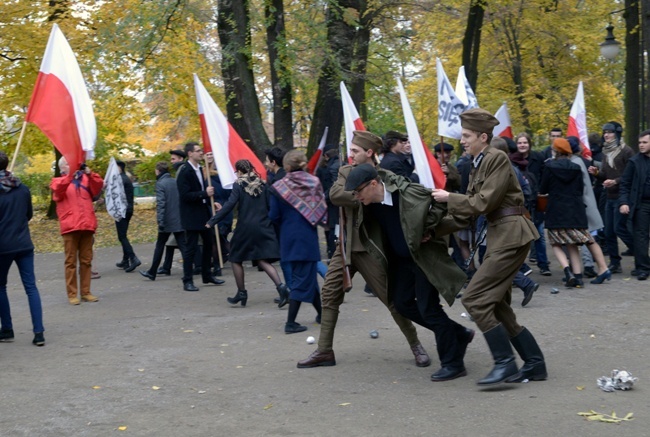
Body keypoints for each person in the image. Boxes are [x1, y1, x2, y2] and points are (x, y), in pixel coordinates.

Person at [298, 130, 434, 370]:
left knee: (392, 300)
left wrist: (375, 192)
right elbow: (336, 194)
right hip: (346, 247)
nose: (351, 155)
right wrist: (364, 190)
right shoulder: (346, 171)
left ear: (369, 153)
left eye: (356, 151)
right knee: (329, 295)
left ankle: (416, 345)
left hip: (371, 249)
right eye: (350, 150)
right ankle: (324, 350)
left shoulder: (386, 176)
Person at [433, 108, 547, 386]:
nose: (463, 141)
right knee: (497, 305)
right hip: (501, 235)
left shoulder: (495, 158)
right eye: (463, 135)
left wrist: (449, 197)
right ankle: (534, 363)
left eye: (467, 136)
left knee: (474, 299)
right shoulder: (478, 161)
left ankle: (505, 363)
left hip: (511, 235)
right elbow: (468, 211)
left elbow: (483, 203)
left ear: (483, 136)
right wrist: (434, 230)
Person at [345, 162, 472, 381]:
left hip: (423, 257)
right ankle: (456, 333)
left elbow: (438, 201)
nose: (356, 197)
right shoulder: (368, 204)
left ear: (373, 184)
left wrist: (429, 228)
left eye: (358, 192)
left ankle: (453, 364)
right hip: (400, 261)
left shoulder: (407, 192)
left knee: (429, 309)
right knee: (402, 304)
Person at [206, 159, 288, 307]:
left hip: (245, 227)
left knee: (235, 258)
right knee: (263, 259)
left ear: (239, 171)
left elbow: (230, 204)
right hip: (264, 225)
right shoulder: (264, 184)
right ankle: (282, 288)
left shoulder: (239, 185)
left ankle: (242, 292)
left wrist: (213, 221)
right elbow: (271, 206)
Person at [269, 150, 326, 333]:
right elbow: (321, 209)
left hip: (288, 236)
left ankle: (322, 314)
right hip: (307, 237)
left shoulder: (278, 187)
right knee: (302, 278)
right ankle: (290, 323)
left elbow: (273, 215)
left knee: (306, 275)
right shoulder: (314, 183)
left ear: (286, 166)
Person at [0, 151, 45, 345]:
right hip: (24, 243)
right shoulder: (23, 188)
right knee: (31, 287)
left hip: (3, 246)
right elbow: (28, 215)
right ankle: (39, 333)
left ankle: (7, 328)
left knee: (0, 287)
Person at [539, 139, 593, 287]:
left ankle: (567, 271)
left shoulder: (549, 167)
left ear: (555, 151)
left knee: (556, 243)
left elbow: (543, 189)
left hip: (556, 209)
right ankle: (578, 277)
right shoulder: (576, 167)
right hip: (575, 210)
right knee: (573, 244)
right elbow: (580, 190)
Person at [50, 157, 104, 305]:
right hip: (70, 226)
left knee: (86, 261)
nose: (72, 164)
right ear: (62, 168)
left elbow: (98, 185)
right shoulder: (57, 181)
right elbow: (58, 190)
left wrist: (89, 172)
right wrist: (69, 176)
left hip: (87, 224)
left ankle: (86, 292)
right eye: (68, 163)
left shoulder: (85, 179)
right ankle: (72, 294)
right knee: (71, 262)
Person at [176, 142, 224, 292]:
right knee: (191, 248)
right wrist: (204, 194)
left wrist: (212, 202)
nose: (201, 153)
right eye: (198, 151)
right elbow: (185, 195)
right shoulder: (185, 171)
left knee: (209, 244)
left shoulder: (201, 169)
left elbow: (203, 191)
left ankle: (207, 275)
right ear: (190, 154)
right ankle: (187, 280)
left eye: (201, 150)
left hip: (203, 213)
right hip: (191, 215)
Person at [588, 122, 634, 274]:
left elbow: (631, 175)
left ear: (618, 133)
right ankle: (615, 263)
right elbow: (605, 176)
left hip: (623, 196)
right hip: (609, 196)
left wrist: (615, 181)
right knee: (608, 232)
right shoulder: (605, 152)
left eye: (610, 132)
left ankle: (639, 251)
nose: (606, 135)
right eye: (604, 132)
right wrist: (596, 173)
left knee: (619, 228)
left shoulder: (627, 151)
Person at [139, 161, 187, 281]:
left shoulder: (161, 184)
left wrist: (160, 221)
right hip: (178, 219)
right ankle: (189, 270)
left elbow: (161, 204)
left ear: (158, 171)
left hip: (167, 221)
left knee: (160, 246)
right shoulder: (174, 182)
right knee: (183, 246)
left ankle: (152, 271)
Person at [515, 132, 551, 276]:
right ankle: (521, 266)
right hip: (520, 203)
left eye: (525, 142)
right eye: (519, 143)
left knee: (539, 234)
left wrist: (541, 192)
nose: (522, 145)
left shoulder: (538, 158)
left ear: (529, 144)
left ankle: (543, 264)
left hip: (536, 201)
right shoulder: (513, 160)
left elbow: (544, 177)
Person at [619, 129, 650, 281]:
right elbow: (625, 183)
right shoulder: (635, 161)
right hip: (642, 203)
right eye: (640, 142)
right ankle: (643, 267)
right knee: (641, 236)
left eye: (645, 142)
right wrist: (624, 202)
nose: (641, 145)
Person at [158, 149, 187, 276]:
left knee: (183, 244)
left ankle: (196, 266)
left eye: (173, 159)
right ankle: (166, 267)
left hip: (178, 216)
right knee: (172, 243)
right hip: (178, 215)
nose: (172, 161)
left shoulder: (182, 171)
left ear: (181, 159)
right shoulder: (178, 173)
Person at [204, 151, 232, 276]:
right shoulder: (202, 173)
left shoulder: (222, 173)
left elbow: (228, 192)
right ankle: (216, 265)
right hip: (210, 209)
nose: (209, 156)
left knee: (220, 236)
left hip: (223, 209)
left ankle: (225, 257)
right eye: (207, 154)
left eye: (211, 154)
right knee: (215, 238)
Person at [113, 160, 140, 273]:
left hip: (122, 211)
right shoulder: (125, 178)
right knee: (123, 234)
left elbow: (115, 195)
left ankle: (133, 258)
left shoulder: (121, 180)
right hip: (127, 210)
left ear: (119, 168)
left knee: (122, 236)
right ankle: (125, 260)